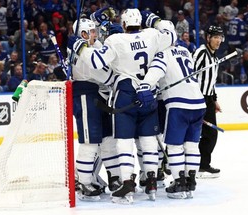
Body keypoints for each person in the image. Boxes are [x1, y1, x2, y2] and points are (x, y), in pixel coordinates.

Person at [73, 8, 177, 204]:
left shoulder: (116, 40)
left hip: (126, 93)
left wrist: (80, 48)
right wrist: (155, 21)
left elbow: (96, 61)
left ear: (122, 25)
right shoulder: (152, 35)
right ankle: (152, 180)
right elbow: (171, 34)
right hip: (148, 92)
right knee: (148, 139)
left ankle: (127, 181)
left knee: (123, 140)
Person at [137, 24, 206, 198]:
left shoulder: (162, 54)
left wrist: (144, 87)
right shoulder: (185, 52)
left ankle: (179, 183)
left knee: (175, 147)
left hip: (178, 105)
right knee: (192, 146)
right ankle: (190, 182)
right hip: (198, 103)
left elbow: (155, 73)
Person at [68, 17, 119, 201]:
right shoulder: (85, 54)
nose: (95, 35)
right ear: (82, 34)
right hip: (86, 96)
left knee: (107, 139)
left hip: (98, 97)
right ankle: (84, 182)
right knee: (90, 142)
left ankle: (114, 177)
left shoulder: (87, 49)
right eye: (91, 32)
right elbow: (106, 75)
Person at [192, 25, 224, 179]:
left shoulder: (215, 58)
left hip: (208, 100)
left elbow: (211, 82)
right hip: (197, 98)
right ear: (208, 38)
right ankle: (193, 165)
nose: (218, 40)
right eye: (215, 37)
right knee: (192, 133)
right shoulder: (200, 53)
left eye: (220, 37)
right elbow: (190, 75)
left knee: (211, 133)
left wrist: (214, 99)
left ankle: (203, 165)